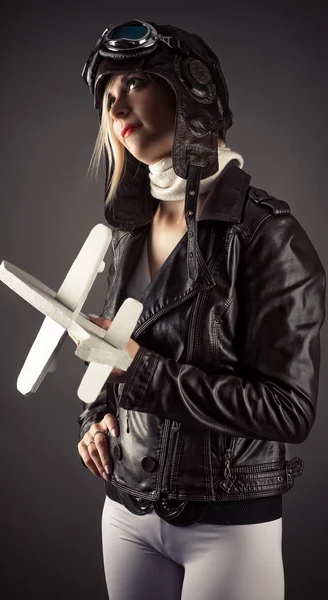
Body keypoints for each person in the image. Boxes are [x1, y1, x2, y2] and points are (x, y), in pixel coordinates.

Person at [76, 20, 326, 600]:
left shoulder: (268, 234)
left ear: (191, 91)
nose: (116, 104)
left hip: (229, 527)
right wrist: (97, 416)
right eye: (107, 93)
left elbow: (290, 411)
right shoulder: (127, 229)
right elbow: (128, 356)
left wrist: (139, 371)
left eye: (134, 82)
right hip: (126, 513)